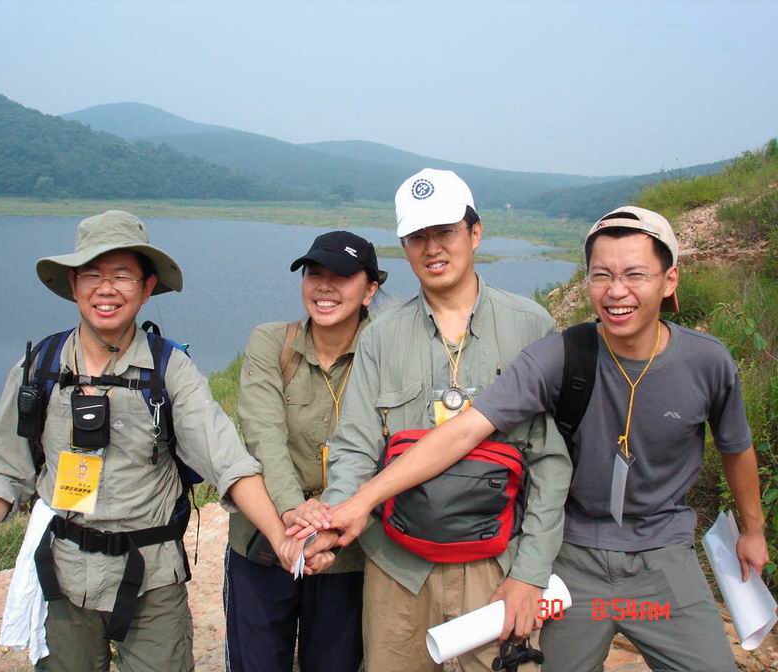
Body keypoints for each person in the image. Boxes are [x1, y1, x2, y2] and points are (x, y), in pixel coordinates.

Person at [327, 206, 770, 672]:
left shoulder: (707, 363)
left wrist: (753, 531)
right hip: (574, 559)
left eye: (635, 274)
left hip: (663, 558)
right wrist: (361, 501)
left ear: (669, 279)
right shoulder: (560, 356)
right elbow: (465, 431)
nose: (616, 291)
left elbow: (735, 447)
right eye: (601, 275)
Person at [0, 210, 297, 672]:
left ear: (147, 288)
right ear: (73, 284)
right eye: (92, 274)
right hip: (63, 575)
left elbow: (226, 460)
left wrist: (280, 539)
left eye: (123, 275)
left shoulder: (170, 371)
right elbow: (5, 469)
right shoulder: (40, 368)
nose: (106, 289)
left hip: (152, 577)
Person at [290, 169, 572, 672]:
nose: (432, 248)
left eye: (445, 232)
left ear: (475, 232)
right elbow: (355, 447)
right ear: (403, 246)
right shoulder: (381, 337)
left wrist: (530, 572)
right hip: (398, 572)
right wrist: (332, 519)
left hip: (498, 567)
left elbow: (549, 462)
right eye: (417, 237)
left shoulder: (530, 325)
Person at [224, 231, 386, 671]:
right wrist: (295, 511)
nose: (324, 287)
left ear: (370, 290)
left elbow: (382, 448)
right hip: (264, 538)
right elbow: (264, 435)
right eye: (315, 274)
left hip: (348, 550)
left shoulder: (385, 352)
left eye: (342, 277)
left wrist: (327, 521)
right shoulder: (271, 342)